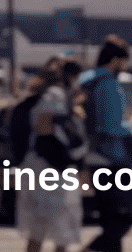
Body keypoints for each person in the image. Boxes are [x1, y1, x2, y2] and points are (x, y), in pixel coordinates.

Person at [16, 57, 88, 252]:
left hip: (41, 167)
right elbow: (43, 126)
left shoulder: (49, 95)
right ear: (72, 77)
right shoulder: (56, 95)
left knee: (38, 230)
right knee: (60, 229)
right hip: (51, 170)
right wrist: (69, 119)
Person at [79, 35, 132, 252]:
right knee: (123, 217)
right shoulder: (108, 84)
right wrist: (130, 127)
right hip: (111, 158)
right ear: (116, 60)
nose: (125, 67)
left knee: (109, 220)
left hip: (91, 155)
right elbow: (111, 125)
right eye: (124, 61)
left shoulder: (87, 79)